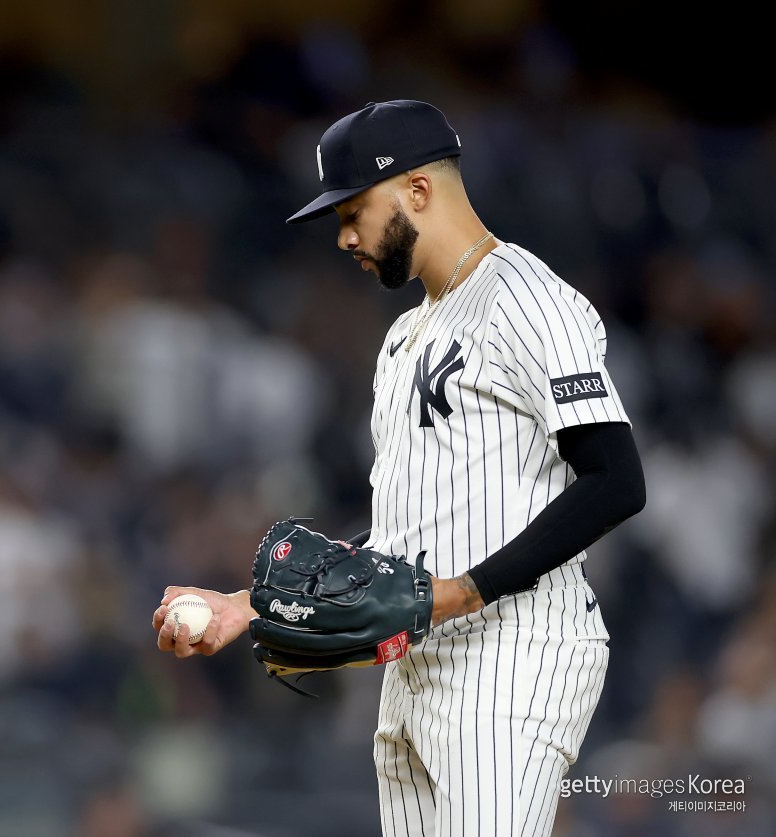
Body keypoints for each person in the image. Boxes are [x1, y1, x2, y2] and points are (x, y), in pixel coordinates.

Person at [152, 100, 646, 837]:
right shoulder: (404, 337)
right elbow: (400, 540)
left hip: (513, 654)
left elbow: (616, 481)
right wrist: (247, 606)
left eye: (354, 211)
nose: (344, 236)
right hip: (413, 667)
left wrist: (462, 592)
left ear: (417, 189)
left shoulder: (527, 299)